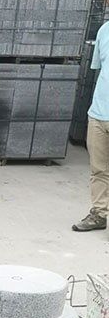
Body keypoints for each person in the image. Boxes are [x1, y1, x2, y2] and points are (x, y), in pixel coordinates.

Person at [74, 20, 109, 231]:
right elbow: (100, 70)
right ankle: (99, 214)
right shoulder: (104, 30)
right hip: (98, 114)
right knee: (99, 170)